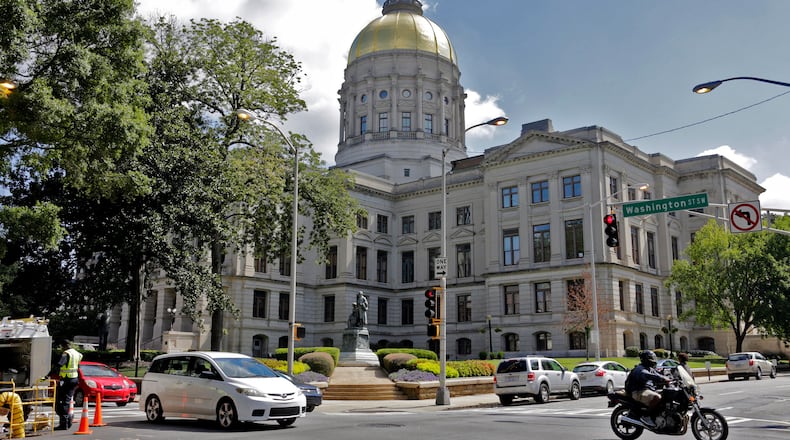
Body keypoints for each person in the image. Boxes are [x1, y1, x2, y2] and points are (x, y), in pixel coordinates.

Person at [624, 350, 670, 428]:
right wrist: (662, 378)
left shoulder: (649, 368)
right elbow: (648, 375)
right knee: (657, 397)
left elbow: (657, 374)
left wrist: (671, 378)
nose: (653, 360)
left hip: (647, 389)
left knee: (665, 395)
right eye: (651, 358)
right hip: (638, 391)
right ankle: (646, 416)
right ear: (645, 359)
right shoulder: (640, 369)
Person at [46, 340, 83, 431]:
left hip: (66, 380)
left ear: (65, 346)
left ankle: (65, 421)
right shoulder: (77, 354)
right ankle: (66, 420)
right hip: (74, 379)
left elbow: (59, 365)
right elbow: (78, 367)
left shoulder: (66, 354)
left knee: (59, 401)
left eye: (62, 347)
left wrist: (47, 375)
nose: (61, 349)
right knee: (65, 401)